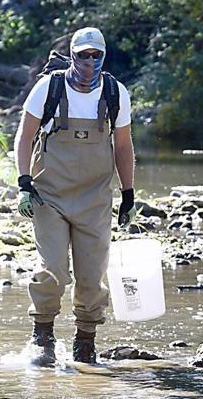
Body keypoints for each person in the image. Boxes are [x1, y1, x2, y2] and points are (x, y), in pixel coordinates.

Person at [13, 27, 138, 366]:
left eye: (97, 55)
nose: (90, 61)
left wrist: (128, 193)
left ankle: (85, 343)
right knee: (52, 270)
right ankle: (42, 339)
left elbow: (123, 146)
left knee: (91, 277)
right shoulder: (49, 88)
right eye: (84, 54)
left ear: (103, 56)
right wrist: (24, 183)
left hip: (95, 200)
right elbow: (24, 137)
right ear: (73, 55)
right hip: (48, 196)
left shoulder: (115, 93)